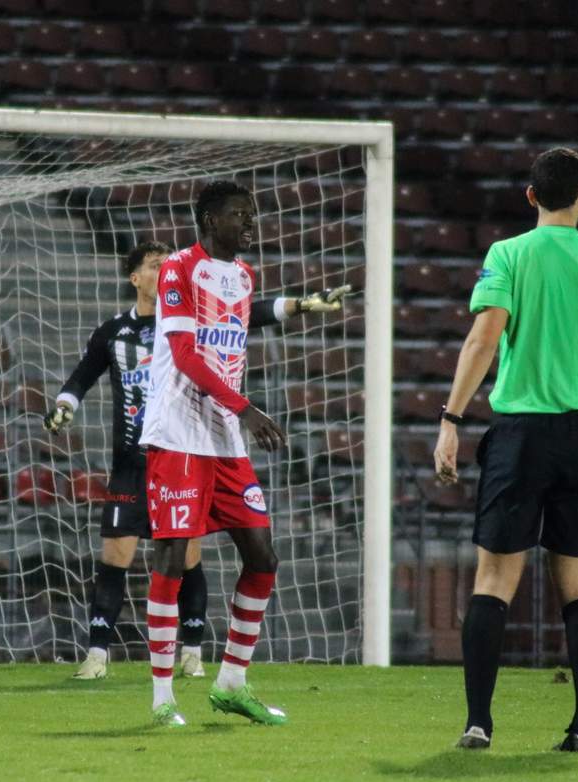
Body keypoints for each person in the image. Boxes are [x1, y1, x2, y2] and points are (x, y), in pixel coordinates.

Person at [46, 241, 349, 681]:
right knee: (115, 556)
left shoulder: (195, 323)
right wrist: (65, 404)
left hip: (182, 451)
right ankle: (97, 653)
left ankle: (191, 650)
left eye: (167, 264)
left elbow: (252, 314)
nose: (165, 270)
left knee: (187, 556)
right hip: (132, 461)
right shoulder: (112, 332)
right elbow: (82, 375)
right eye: (154, 266)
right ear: (136, 279)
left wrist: (299, 305)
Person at [433, 148, 578, 752]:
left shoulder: (508, 254)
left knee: (495, 578)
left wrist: (451, 418)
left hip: (520, 433)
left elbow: (483, 337)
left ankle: (478, 723)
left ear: (530, 196)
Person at [138, 180, 351, 727]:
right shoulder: (178, 268)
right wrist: (246, 408)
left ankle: (232, 681)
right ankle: (163, 700)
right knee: (171, 561)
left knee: (263, 556)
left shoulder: (243, 273)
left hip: (223, 438)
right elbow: (184, 353)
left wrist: (297, 306)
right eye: (239, 214)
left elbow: (244, 313)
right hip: (180, 431)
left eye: (251, 214)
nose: (250, 223)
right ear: (210, 219)